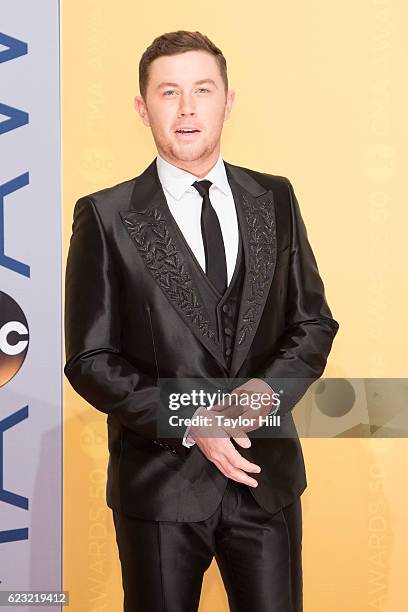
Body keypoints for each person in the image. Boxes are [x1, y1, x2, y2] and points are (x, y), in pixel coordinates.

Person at [64, 29, 339, 612]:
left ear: (228, 101)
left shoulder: (276, 198)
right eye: (169, 93)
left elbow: (312, 324)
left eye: (202, 90)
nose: (187, 109)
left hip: (266, 481)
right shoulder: (106, 217)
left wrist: (256, 398)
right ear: (143, 108)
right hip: (159, 490)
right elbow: (91, 360)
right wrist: (195, 421)